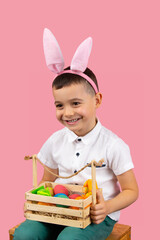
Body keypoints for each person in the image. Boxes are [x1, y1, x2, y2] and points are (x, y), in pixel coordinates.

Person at [14, 28, 139, 240]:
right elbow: (48, 182)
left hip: (97, 215)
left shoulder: (113, 145)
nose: (68, 113)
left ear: (97, 100)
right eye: (59, 105)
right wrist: (42, 202)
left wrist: (106, 207)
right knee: (25, 233)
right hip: (61, 209)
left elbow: (131, 190)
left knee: (69, 239)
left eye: (76, 103)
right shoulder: (54, 141)